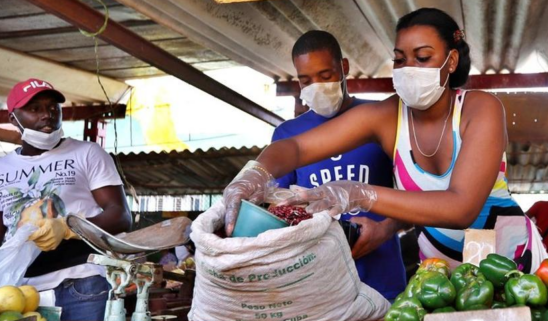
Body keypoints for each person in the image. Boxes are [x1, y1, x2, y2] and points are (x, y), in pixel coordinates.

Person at [223, 8, 546, 272]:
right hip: (439, 270)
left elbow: (460, 208)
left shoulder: (480, 108)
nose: (408, 69)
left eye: (422, 58)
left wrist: (360, 193)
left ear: (450, 61)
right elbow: (295, 147)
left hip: (511, 264)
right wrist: (254, 174)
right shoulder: (388, 115)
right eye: (400, 59)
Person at [0, 78, 131, 321]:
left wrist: (68, 228)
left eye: (52, 107)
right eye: (34, 109)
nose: (47, 115)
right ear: (13, 118)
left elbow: (120, 215)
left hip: (81, 282)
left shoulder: (87, 153)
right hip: (17, 291)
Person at [272, 30, 405, 300]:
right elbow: (277, 210)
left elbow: (419, 196)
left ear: (343, 68)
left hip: (380, 280)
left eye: (325, 76)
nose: (317, 87)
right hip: (316, 284)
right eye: (306, 80)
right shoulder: (287, 135)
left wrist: (387, 228)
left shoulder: (383, 118)